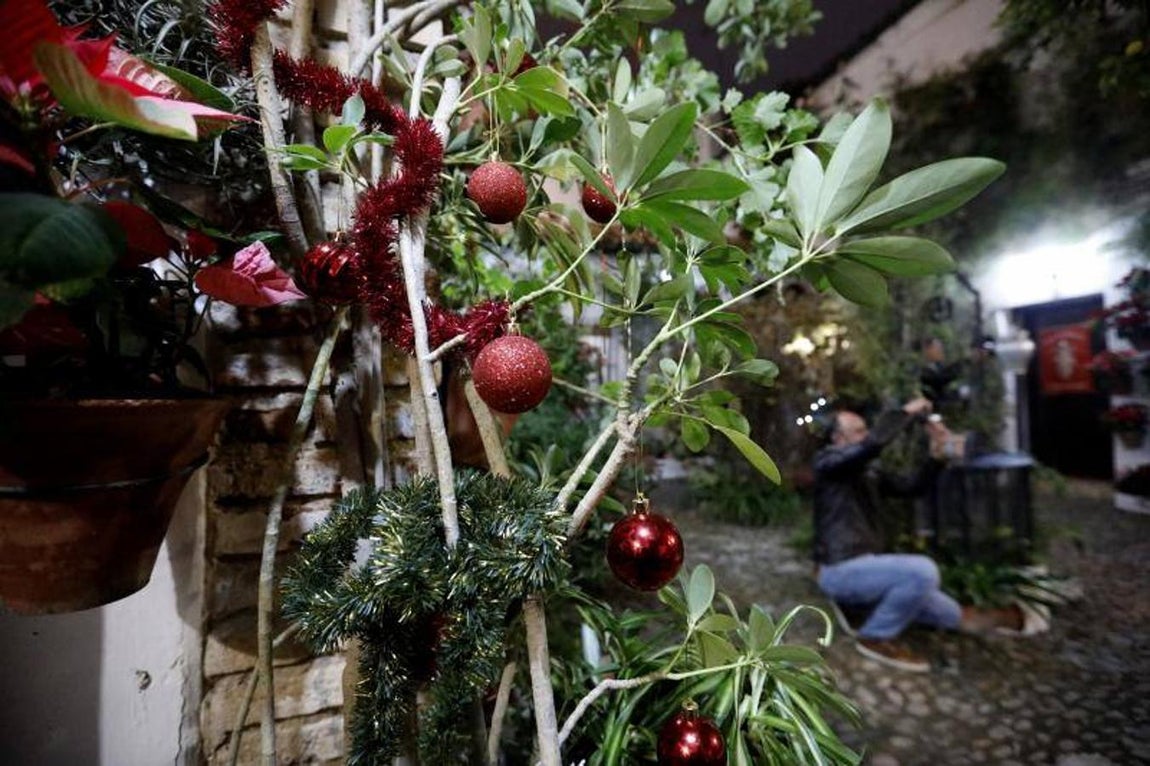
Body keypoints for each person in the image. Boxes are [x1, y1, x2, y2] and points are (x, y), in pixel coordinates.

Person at [812, 397, 1020, 672]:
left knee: (950, 612)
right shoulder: (826, 462)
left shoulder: (868, 471)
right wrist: (905, 413)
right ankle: (875, 636)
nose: (867, 434)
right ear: (838, 439)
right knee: (923, 572)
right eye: (859, 430)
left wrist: (935, 458)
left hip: (866, 566)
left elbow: (911, 487)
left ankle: (1010, 621)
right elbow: (871, 445)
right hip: (838, 569)